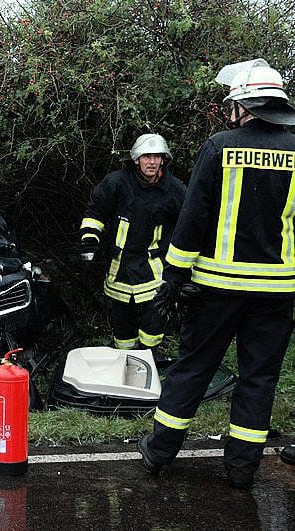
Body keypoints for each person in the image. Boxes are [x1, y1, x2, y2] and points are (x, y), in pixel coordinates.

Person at [138, 59, 295, 489]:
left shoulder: (219, 146)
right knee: (259, 378)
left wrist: (172, 276)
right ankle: (242, 470)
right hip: (278, 292)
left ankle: (159, 452)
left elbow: (193, 218)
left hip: (217, 287)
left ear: (244, 105)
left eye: (232, 105)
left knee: (193, 368)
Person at [79, 134, 186, 356]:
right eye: (147, 156)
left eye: (157, 156)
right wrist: (89, 243)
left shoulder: (174, 189)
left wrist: (181, 272)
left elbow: (189, 225)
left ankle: (149, 359)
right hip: (120, 269)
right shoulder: (117, 182)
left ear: (163, 160)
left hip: (153, 273)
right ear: (136, 159)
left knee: (153, 328)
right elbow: (95, 212)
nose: (152, 162)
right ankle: (125, 364)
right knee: (123, 330)